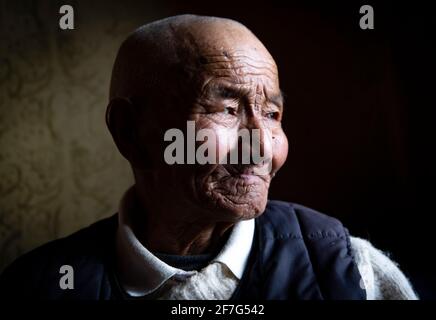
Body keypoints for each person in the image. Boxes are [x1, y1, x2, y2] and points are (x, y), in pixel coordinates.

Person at [0, 14, 418, 300]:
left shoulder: (347, 268)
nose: (263, 145)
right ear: (130, 132)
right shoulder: (37, 286)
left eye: (272, 114)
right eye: (227, 110)